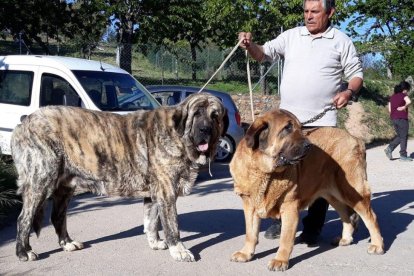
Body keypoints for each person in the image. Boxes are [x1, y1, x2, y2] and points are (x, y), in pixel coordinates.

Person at [238, 0, 363, 246]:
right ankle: (280, 220)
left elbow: (356, 74)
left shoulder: (341, 40)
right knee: (278, 171)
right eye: (306, 11)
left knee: (318, 176)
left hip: (322, 123)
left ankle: (313, 228)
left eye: (315, 11)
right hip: (286, 124)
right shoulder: (291, 36)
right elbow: (263, 54)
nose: (309, 16)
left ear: (330, 12)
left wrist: (348, 92)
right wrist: (250, 45)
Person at [384, 81, 412, 161]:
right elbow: (409, 101)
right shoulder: (404, 95)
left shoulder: (392, 97)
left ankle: (389, 148)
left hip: (394, 119)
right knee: (404, 137)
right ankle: (403, 155)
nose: (407, 91)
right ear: (405, 89)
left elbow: (389, 109)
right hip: (402, 119)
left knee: (400, 136)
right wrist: (404, 107)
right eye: (407, 90)